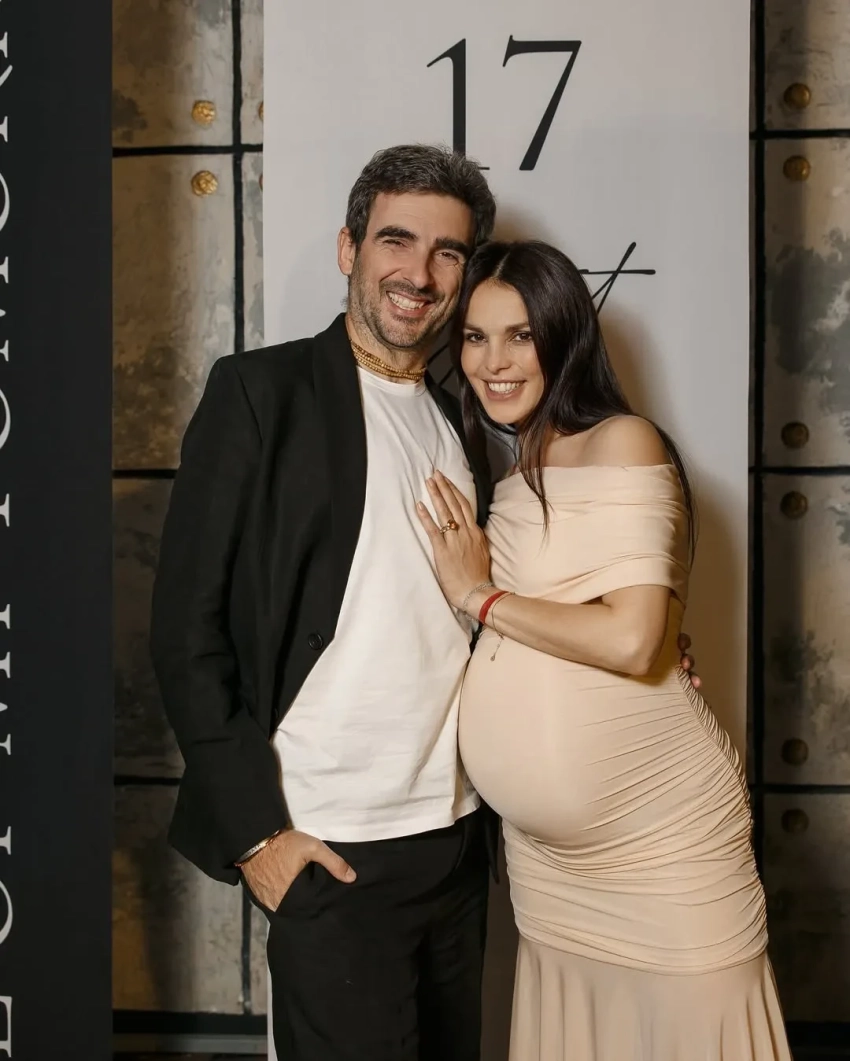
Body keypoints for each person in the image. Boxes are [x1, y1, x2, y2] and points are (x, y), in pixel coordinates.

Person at [150, 146, 698, 1061]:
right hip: (328, 843)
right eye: (396, 240)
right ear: (349, 248)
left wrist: (651, 651)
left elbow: (513, 595)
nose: (420, 272)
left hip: (457, 839)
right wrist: (258, 839)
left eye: (448, 252)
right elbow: (184, 631)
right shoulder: (261, 393)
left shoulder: (468, 417)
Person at [417, 240, 791, 1061]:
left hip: (661, 842)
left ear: (565, 335)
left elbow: (632, 638)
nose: (493, 361)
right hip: (551, 869)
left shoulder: (623, 439)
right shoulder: (510, 473)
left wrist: (480, 596)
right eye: (475, 337)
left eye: (521, 335)